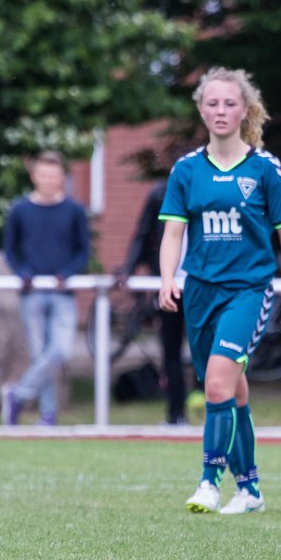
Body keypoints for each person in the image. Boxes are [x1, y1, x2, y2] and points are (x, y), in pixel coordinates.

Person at [157, 66, 281, 515]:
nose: (221, 110)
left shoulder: (264, 168)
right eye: (212, 103)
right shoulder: (186, 171)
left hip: (248, 291)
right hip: (200, 292)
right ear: (201, 110)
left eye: (229, 103)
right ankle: (251, 491)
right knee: (232, 390)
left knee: (218, 385)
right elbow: (171, 234)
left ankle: (209, 482)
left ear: (245, 110)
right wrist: (169, 278)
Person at [0, 150, 92, 426]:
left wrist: (67, 273)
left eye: (54, 175)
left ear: (61, 177)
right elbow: (10, 249)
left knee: (60, 350)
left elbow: (83, 251)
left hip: (62, 292)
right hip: (32, 293)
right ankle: (48, 414)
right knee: (41, 355)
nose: (49, 180)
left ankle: (19, 395)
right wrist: (23, 273)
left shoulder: (74, 211)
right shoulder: (20, 210)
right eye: (44, 175)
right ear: (34, 177)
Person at [116, 179, 190, 425]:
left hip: (204, 286)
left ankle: (215, 410)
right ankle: (176, 414)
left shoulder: (214, 191)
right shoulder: (160, 195)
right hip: (169, 286)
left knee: (211, 350)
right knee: (170, 350)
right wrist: (128, 268)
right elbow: (143, 233)